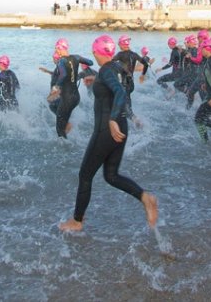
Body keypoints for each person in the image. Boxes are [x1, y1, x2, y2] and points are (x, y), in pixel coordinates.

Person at [59, 36, 158, 233]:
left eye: (94, 52)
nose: (93, 55)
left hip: (107, 128)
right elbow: (128, 88)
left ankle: (77, 221)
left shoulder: (105, 70)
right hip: (122, 126)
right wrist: (97, 82)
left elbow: (120, 92)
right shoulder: (118, 68)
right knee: (111, 175)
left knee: (85, 175)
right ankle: (145, 197)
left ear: (98, 52)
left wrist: (111, 120)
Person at [47, 40, 94, 138]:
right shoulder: (76, 57)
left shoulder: (61, 61)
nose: (57, 51)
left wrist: (56, 87)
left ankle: (64, 150)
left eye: (56, 49)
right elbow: (90, 62)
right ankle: (71, 143)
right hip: (76, 98)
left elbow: (63, 74)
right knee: (64, 125)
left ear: (59, 49)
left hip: (67, 98)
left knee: (60, 130)